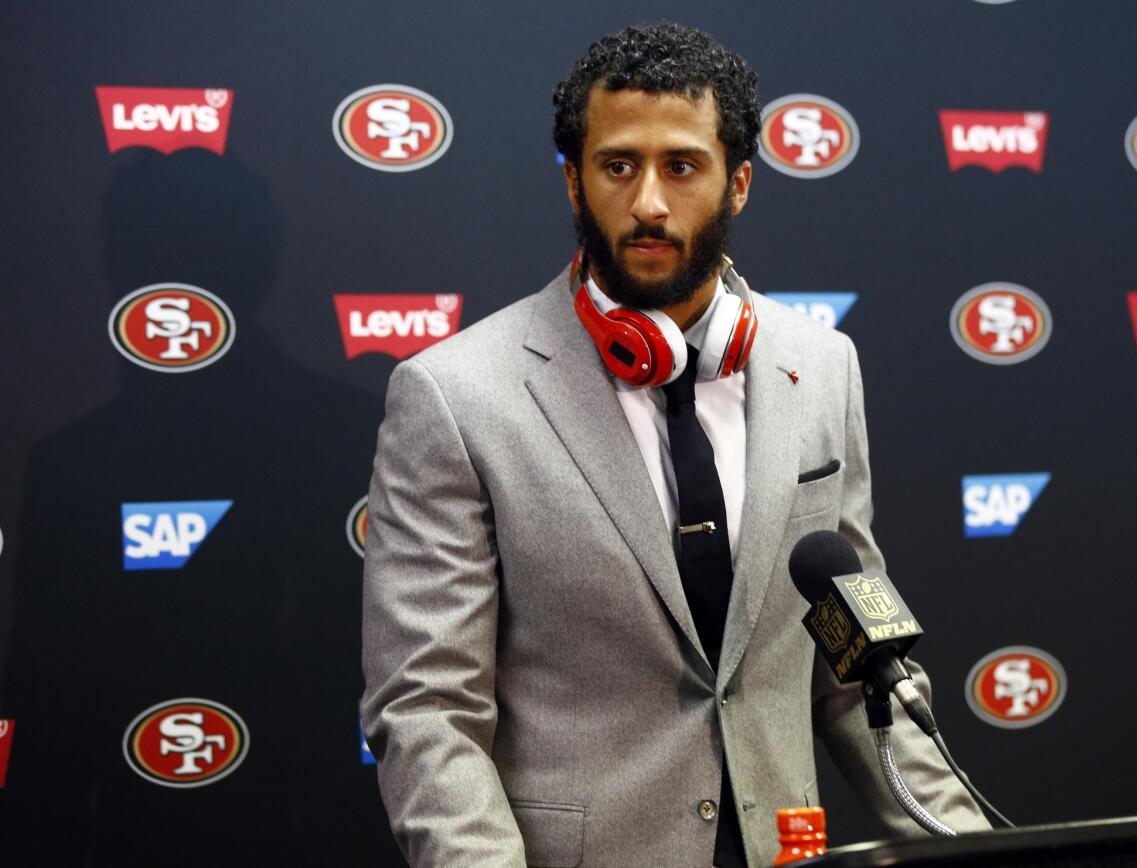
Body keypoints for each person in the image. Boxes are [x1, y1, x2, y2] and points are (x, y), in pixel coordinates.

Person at [362, 21, 988, 868]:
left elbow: (857, 670)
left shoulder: (822, 365)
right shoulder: (456, 393)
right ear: (575, 185)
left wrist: (976, 853)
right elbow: (428, 708)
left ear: (738, 184)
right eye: (618, 165)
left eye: (682, 166)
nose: (649, 203)